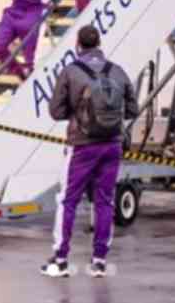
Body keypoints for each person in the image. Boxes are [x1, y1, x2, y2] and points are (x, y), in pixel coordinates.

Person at [41, 25, 138, 279]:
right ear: (99, 43)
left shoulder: (71, 71)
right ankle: (99, 262)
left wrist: (79, 113)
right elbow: (132, 108)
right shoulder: (117, 71)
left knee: (68, 200)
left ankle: (60, 259)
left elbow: (55, 112)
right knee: (105, 200)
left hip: (82, 145)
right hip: (112, 144)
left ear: (78, 44)